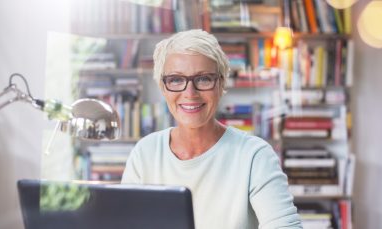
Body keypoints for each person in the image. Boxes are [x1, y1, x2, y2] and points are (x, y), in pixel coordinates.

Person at [122, 29, 302, 229]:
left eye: (204, 79)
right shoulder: (145, 152)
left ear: (221, 83)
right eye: (176, 80)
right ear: (163, 87)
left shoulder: (254, 155)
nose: (190, 93)